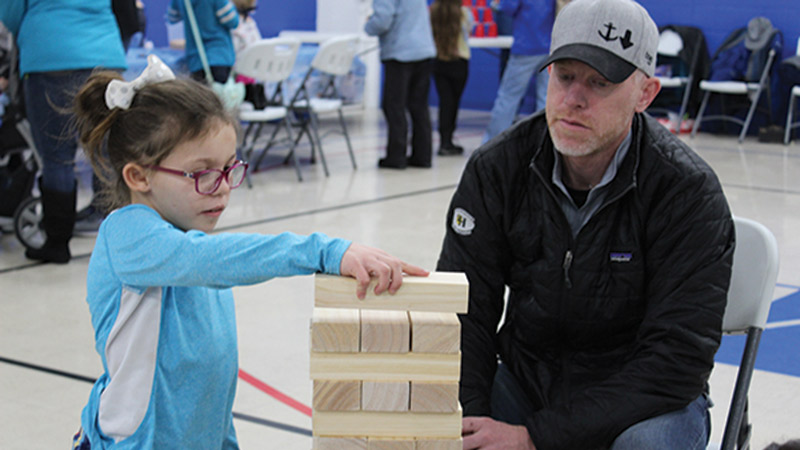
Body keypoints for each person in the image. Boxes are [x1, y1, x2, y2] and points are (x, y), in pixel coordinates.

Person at [68, 55, 428, 448]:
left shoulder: (192, 243)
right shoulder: (128, 234)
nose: (223, 187)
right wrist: (324, 251)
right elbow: (211, 259)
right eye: (203, 173)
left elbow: (210, 387)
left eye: (228, 169)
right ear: (139, 176)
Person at [436, 0, 735, 449]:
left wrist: (536, 437)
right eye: (565, 76)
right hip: (525, 383)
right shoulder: (498, 169)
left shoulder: (687, 192)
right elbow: (466, 313)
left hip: (641, 403)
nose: (574, 99)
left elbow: (675, 360)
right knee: (433, 414)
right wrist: (473, 422)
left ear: (645, 93)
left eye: (600, 82)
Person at [1, 0, 127, 263]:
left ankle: (57, 243)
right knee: (107, 152)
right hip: (104, 53)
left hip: (49, 53)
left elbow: (9, 11)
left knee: (56, 157)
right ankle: (120, 238)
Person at [365, 0, 436, 169]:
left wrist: (368, 26)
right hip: (423, 50)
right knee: (419, 107)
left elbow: (382, 21)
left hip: (400, 54)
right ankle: (423, 156)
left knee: (393, 106)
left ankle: (396, 156)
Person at [482, 0, 555, 144]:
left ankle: (492, 143)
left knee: (508, 98)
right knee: (545, 98)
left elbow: (507, 7)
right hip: (548, 46)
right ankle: (542, 143)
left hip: (526, 46)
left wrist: (496, 4)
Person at [430, 0, 474, 156]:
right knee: (454, 102)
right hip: (459, 61)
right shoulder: (463, 12)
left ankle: (444, 140)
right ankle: (449, 140)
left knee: (445, 102)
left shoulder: (433, 11)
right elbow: (469, 29)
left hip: (438, 60)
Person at [167, 0, 239, 84]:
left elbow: (172, 17)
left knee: (202, 95)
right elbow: (233, 21)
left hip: (196, 60)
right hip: (220, 55)